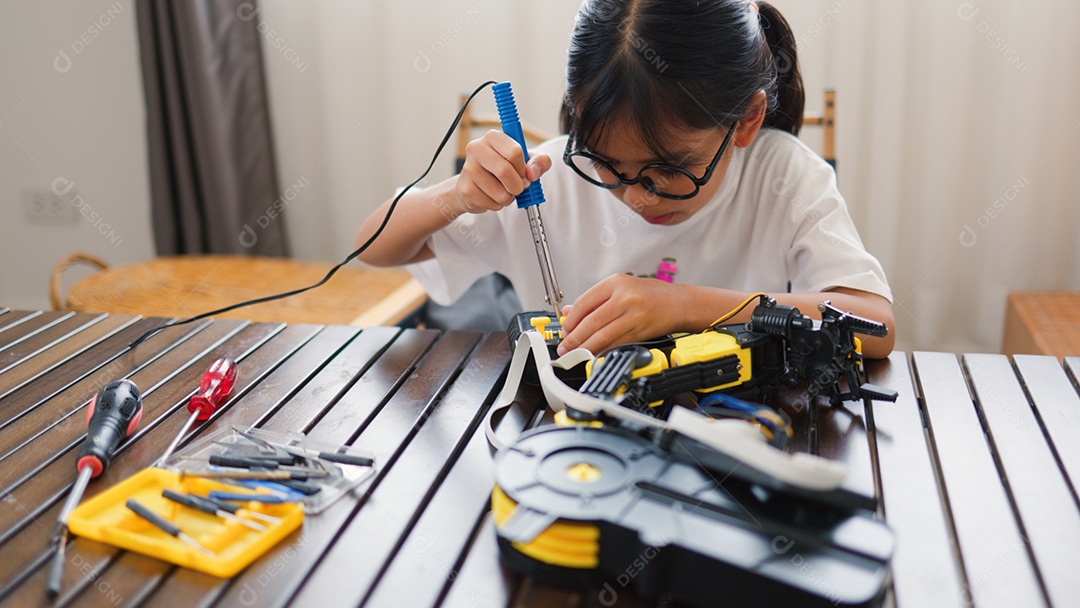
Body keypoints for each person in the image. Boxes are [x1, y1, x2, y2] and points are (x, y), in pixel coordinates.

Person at [356, 0, 895, 358]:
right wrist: (455, 197)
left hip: (741, 442)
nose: (636, 197)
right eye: (608, 165)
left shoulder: (783, 178)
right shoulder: (546, 183)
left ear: (746, 121)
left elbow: (875, 325)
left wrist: (683, 306)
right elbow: (372, 247)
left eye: (670, 169)